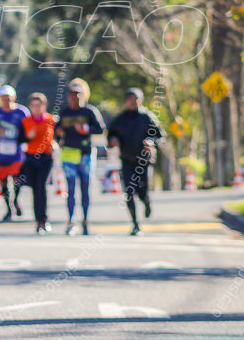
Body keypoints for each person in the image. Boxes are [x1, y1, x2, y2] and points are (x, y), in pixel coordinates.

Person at [107, 88, 164, 236]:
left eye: (135, 99)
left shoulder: (147, 117)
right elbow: (110, 134)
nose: (133, 102)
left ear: (140, 100)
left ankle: (146, 201)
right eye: (130, 99)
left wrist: (151, 142)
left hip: (144, 160)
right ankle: (135, 224)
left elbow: (160, 136)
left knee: (142, 190)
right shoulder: (120, 119)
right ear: (126, 101)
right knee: (129, 192)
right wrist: (112, 141)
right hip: (127, 159)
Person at [56, 78, 105, 235]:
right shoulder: (64, 112)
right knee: (70, 189)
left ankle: (85, 221)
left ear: (83, 95)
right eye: (71, 94)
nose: (74, 97)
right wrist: (58, 136)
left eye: (77, 94)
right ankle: (71, 221)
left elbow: (100, 129)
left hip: (85, 154)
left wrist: (86, 130)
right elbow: (56, 131)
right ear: (68, 96)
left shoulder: (89, 111)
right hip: (69, 154)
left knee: (85, 188)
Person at [20, 93, 57, 234]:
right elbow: (19, 139)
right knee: (35, 190)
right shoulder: (26, 121)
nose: (36, 108)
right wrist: (28, 138)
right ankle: (38, 221)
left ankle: (44, 220)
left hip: (46, 158)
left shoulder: (51, 120)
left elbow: (58, 136)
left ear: (44, 106)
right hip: (30, 158)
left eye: (39, 105)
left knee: (41, 187)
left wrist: (56, 143)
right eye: (34, 106)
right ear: (30, 106)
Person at [0, 85, 29, 222]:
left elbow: (29, 127)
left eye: (8, 98)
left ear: (14, 97)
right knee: (3, 183)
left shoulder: (22, 112)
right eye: (3, 98)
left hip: (17, 152)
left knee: (17, 181)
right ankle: (9, 209)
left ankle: (16, 200)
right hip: (0, 153)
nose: (6, 100)